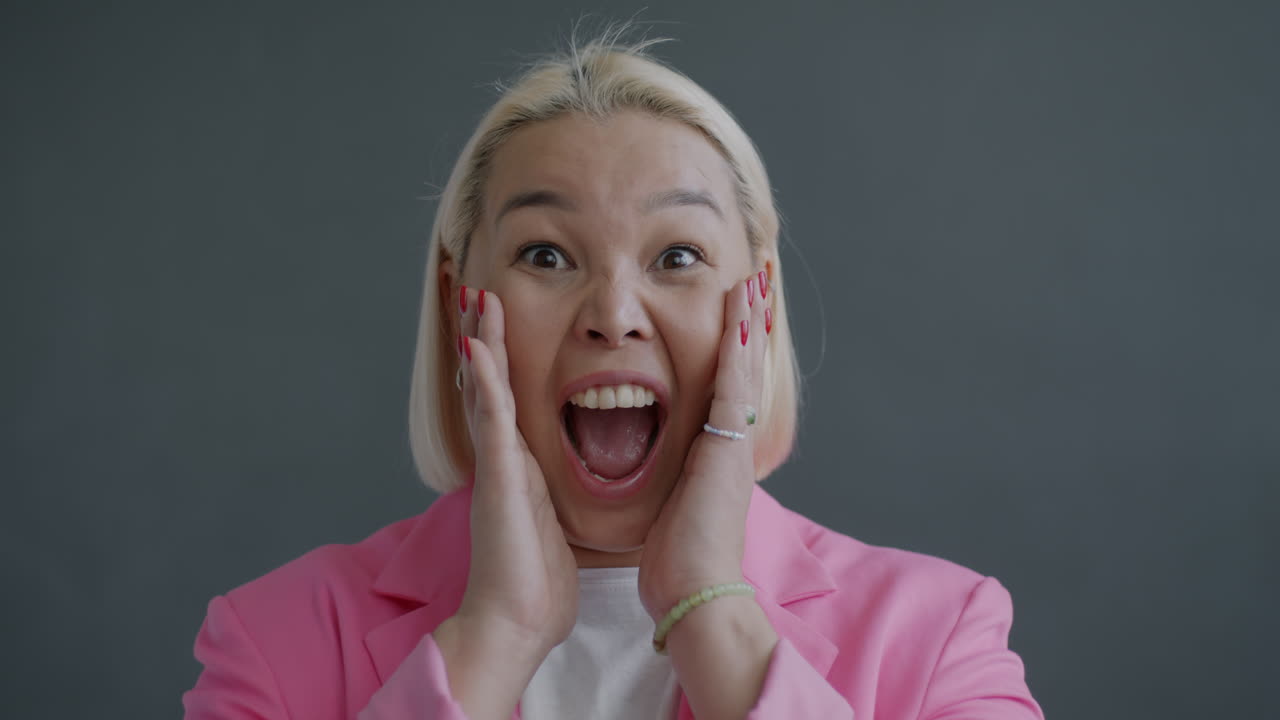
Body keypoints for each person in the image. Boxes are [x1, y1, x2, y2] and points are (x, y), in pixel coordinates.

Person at [183, 25, 1044, 720]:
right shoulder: (270, 640)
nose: (614, 313)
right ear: (461, 304)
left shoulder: (942, 641)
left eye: (677, 255)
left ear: (759, 305)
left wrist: (713, 614)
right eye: (547, 255)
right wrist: (493, 641)